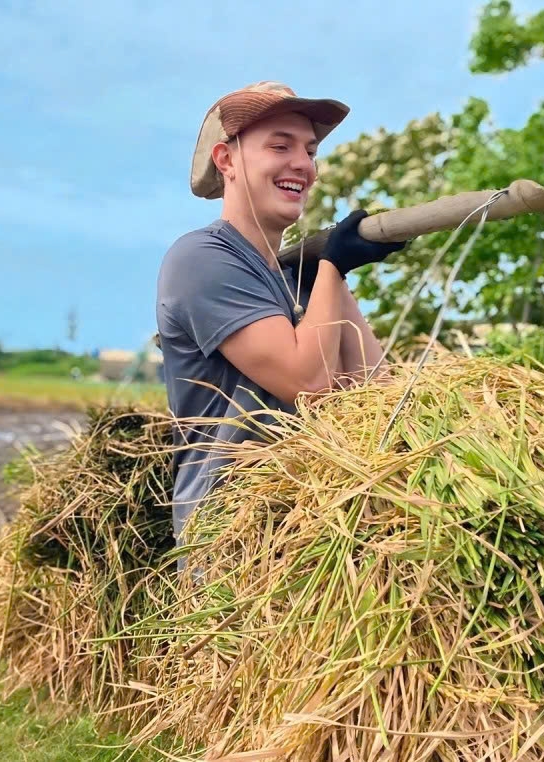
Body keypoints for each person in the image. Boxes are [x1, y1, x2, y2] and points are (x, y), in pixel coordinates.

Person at [155, 81, 409, 550]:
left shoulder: (295, 279)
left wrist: (329, 275)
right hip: (232, 542)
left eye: (310, 151)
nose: (303, 165)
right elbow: (306, 382)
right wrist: (334, 264)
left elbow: (374, 391)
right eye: (280, 145)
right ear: (226, 160)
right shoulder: (202, 258)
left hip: (312, 527)